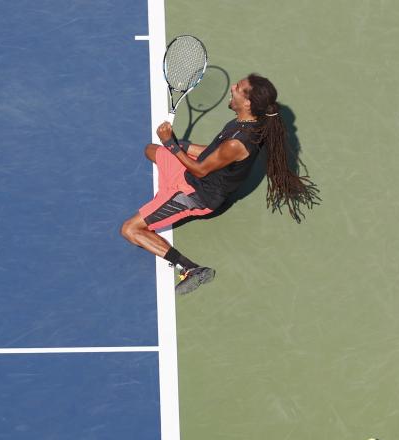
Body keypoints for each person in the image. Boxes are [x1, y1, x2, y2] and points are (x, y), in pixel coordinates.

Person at [120, 73, 319, 295]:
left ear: (247, 102)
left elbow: (201, 168)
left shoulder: (238, 142)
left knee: (130, 229)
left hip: (196, 192)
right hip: (197, 175)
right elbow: (213, 153)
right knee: (151, 150)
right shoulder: (245, 121)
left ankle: (191, 268)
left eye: (238, 88)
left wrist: (172, 144)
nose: (233, 86)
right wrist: (179, 145)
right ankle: (165, 198)